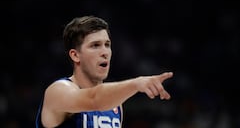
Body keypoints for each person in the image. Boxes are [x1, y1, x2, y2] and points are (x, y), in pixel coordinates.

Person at [35, 15, 173, 128]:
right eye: (95, 45)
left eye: (107, 45)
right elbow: (94, 100)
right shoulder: (58, 91)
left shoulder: (116, 105)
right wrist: (136, 83)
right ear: (75, 55)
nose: (105, 52)